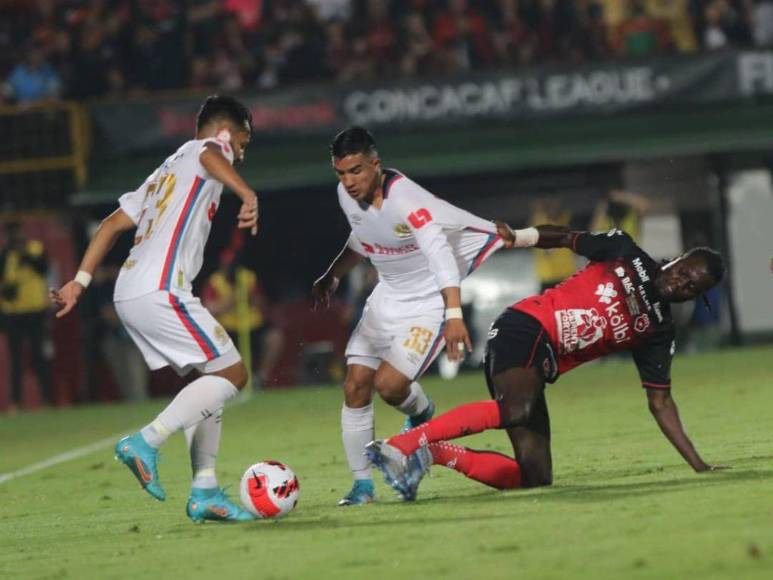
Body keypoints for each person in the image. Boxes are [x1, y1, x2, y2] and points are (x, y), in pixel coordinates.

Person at [366, 224, 727, 500]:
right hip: (525, 327)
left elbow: (660, 401)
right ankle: (403, 445)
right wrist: (519, 236)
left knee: (534, 478)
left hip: (541, 364)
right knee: (517, 409)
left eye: (692, 287)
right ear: (676, 260)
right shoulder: (625, 252)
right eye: (683, 272)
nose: (682, 284)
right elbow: (567, 238)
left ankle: (434, 453)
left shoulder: (659, 329)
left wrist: (700, 466)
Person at [50, 95, 260, 522]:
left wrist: (80, 280)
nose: (241, 151)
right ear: (226, 132)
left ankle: (204, 491)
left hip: (131, 290)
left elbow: (111, 225)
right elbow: (209, 152)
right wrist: (246, 192)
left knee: (212, 378)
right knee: (235, 374)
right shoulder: (207, 150)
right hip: (161, 288)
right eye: (243, 141)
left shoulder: (166, 169)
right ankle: (147, 440)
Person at [311, 126, 533, 506]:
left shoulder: (408, 200)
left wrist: (453, 315)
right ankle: (362, 486)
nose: (348, 181)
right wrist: (333, 273)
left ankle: (422, 411)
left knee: (390, 386)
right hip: (387, 298)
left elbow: (440, 256)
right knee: (355, 385)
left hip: (428, 301)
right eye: (341, 173)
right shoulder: (346, 196)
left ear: (376, 164)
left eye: (357, 171)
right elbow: (362, 238)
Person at [202, 248, 284, 388]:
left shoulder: (249, 278)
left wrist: (250, 295)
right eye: (227, 266)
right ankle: (216, 386)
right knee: (206, 349)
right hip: (227, 330)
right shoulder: (214, 282)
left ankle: (261, 377)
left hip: (251, 326)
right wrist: (233, 298)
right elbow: (210, 310)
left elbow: (263, 305)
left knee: (275, 337)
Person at [0, 222, 53, 411]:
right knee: (15, 360)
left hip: (35, 310)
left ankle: (47, 399)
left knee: (39, 356)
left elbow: (43, 269)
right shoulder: (6, 254)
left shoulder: (35, 248)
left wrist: (26, 255)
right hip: (13, 313)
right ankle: (16, 403)